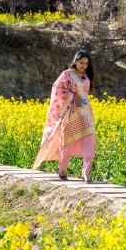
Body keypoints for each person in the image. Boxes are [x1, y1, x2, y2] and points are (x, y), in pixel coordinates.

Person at [33, 50, 96, 183]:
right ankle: (62, 170)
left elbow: (85, 94)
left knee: (90, 141)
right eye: (81, 62)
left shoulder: (86, 75)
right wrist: (73, 97)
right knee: (68, 142)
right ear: (75, 61)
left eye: (86, 63)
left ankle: (86, 173)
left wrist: (81, 99)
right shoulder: (66, 75)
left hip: (85, 112)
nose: (84, 66)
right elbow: (57, 90)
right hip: (70, 113)